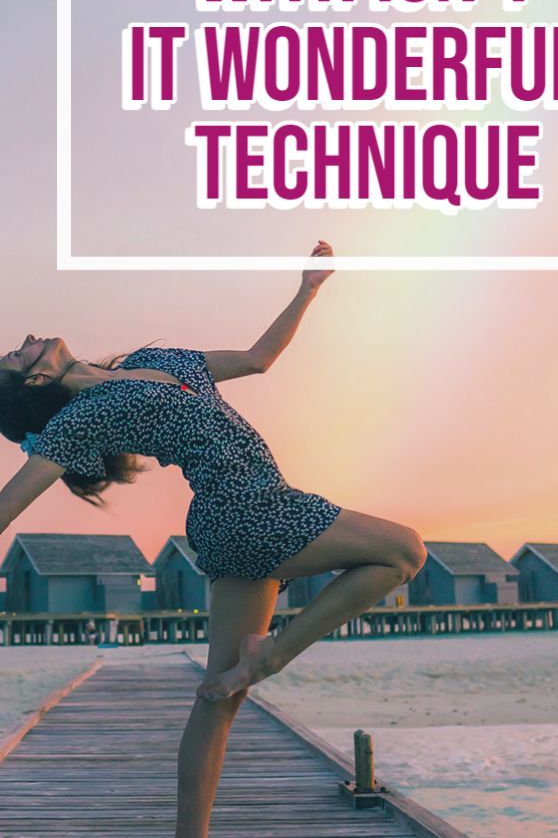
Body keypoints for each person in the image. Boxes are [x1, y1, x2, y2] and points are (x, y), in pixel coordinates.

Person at [0, 240, 427, 838]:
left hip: (231, 523)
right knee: (405, 549)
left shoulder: (161, 360)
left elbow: (258, 358)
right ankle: (272, 653)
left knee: (218, 699)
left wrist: (307, 288)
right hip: (250, 507)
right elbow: (10, 504)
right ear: (39, 378)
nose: (25, 339)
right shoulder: (80, 418)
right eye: (19, 355)